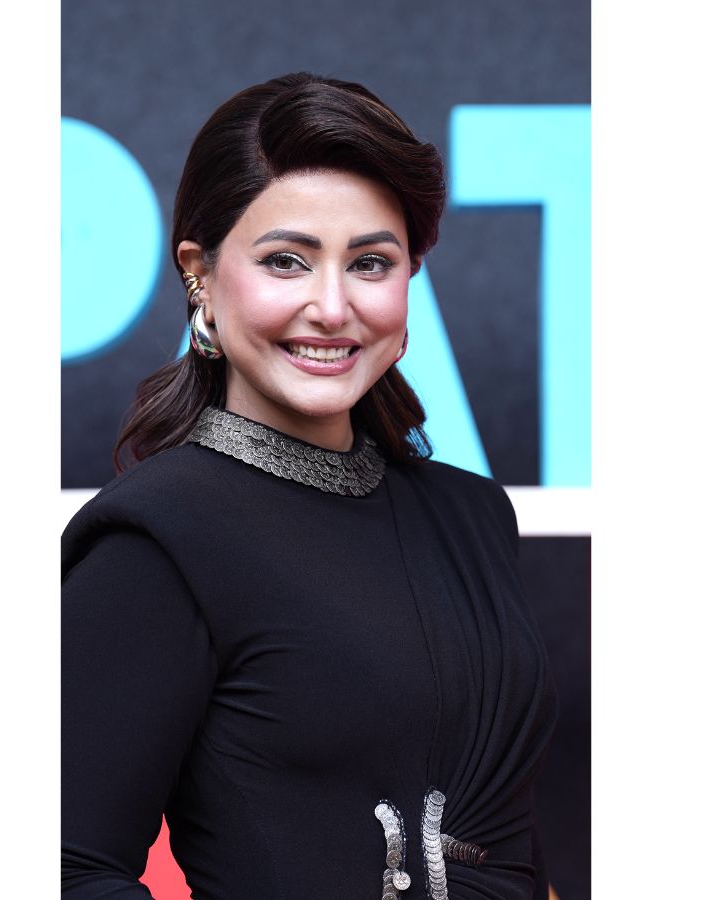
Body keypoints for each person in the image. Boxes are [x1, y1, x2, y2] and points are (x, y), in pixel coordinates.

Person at [62, 72, 559, 899]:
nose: (332, 307)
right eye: (286, 261)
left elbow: (515, 846)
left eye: (370, 263)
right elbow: (65, 867)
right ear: (200, 275)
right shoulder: (158, 540)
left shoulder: (471, 517)